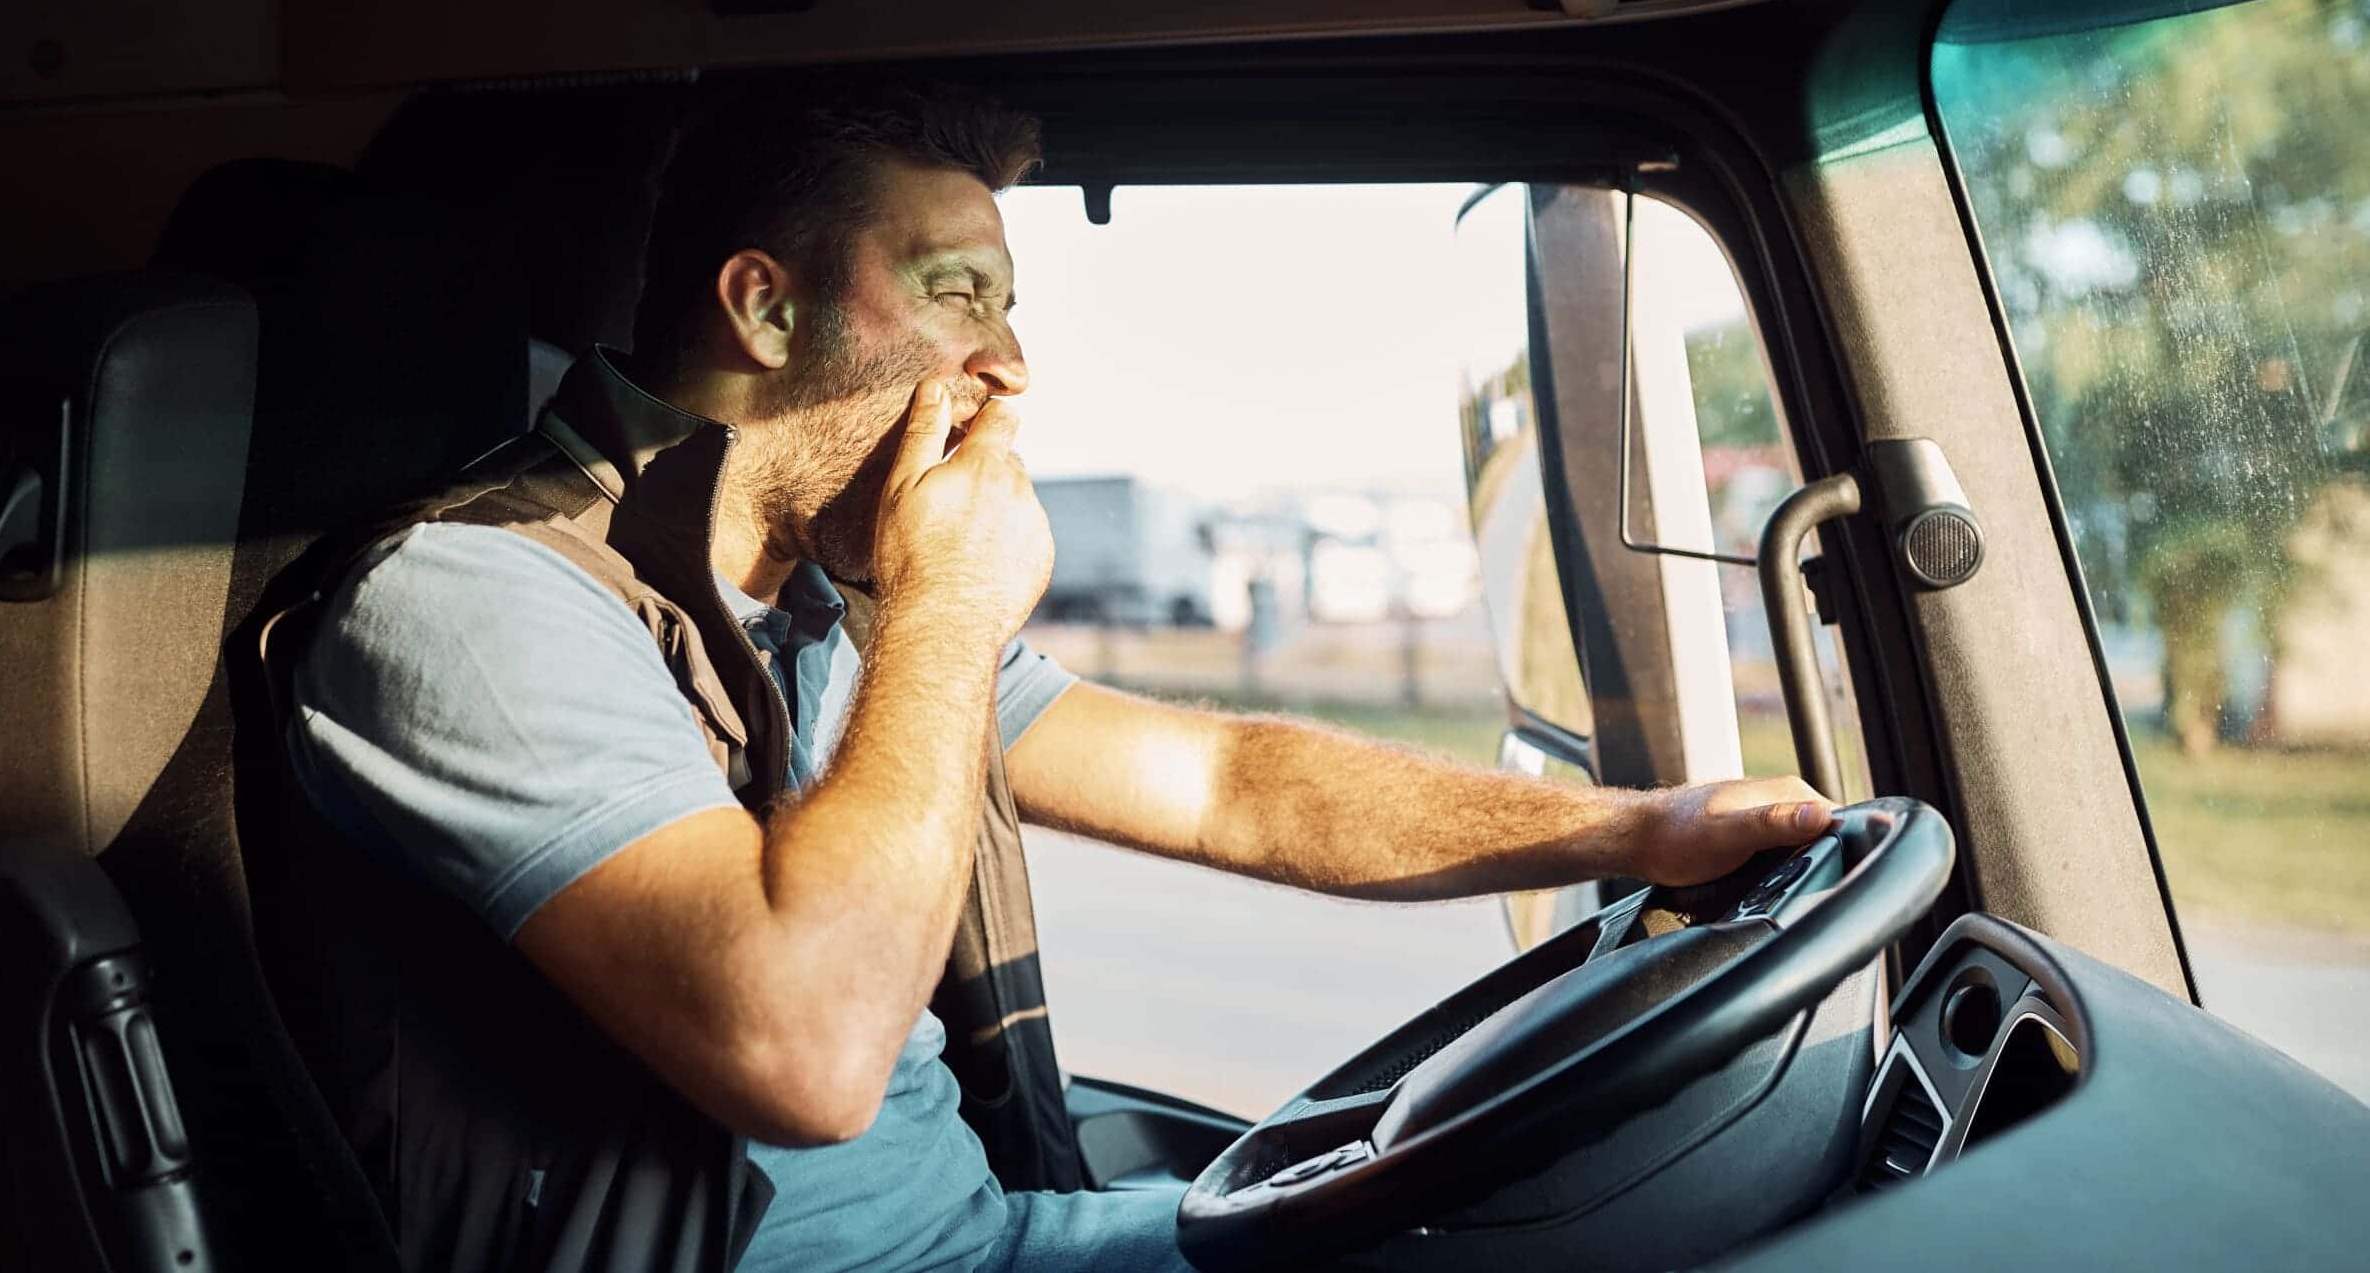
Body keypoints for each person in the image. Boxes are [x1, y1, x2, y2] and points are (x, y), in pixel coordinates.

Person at [280, 75, 1834, 1273]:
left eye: (1011, 305)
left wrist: (1640, 831)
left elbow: (1228, 783)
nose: (1013, 363)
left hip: (999, 1242)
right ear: (763, 306)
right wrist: (952, 598)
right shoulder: (474, 597)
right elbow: (803, 1048)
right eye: (959, 292)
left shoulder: (834, 607)